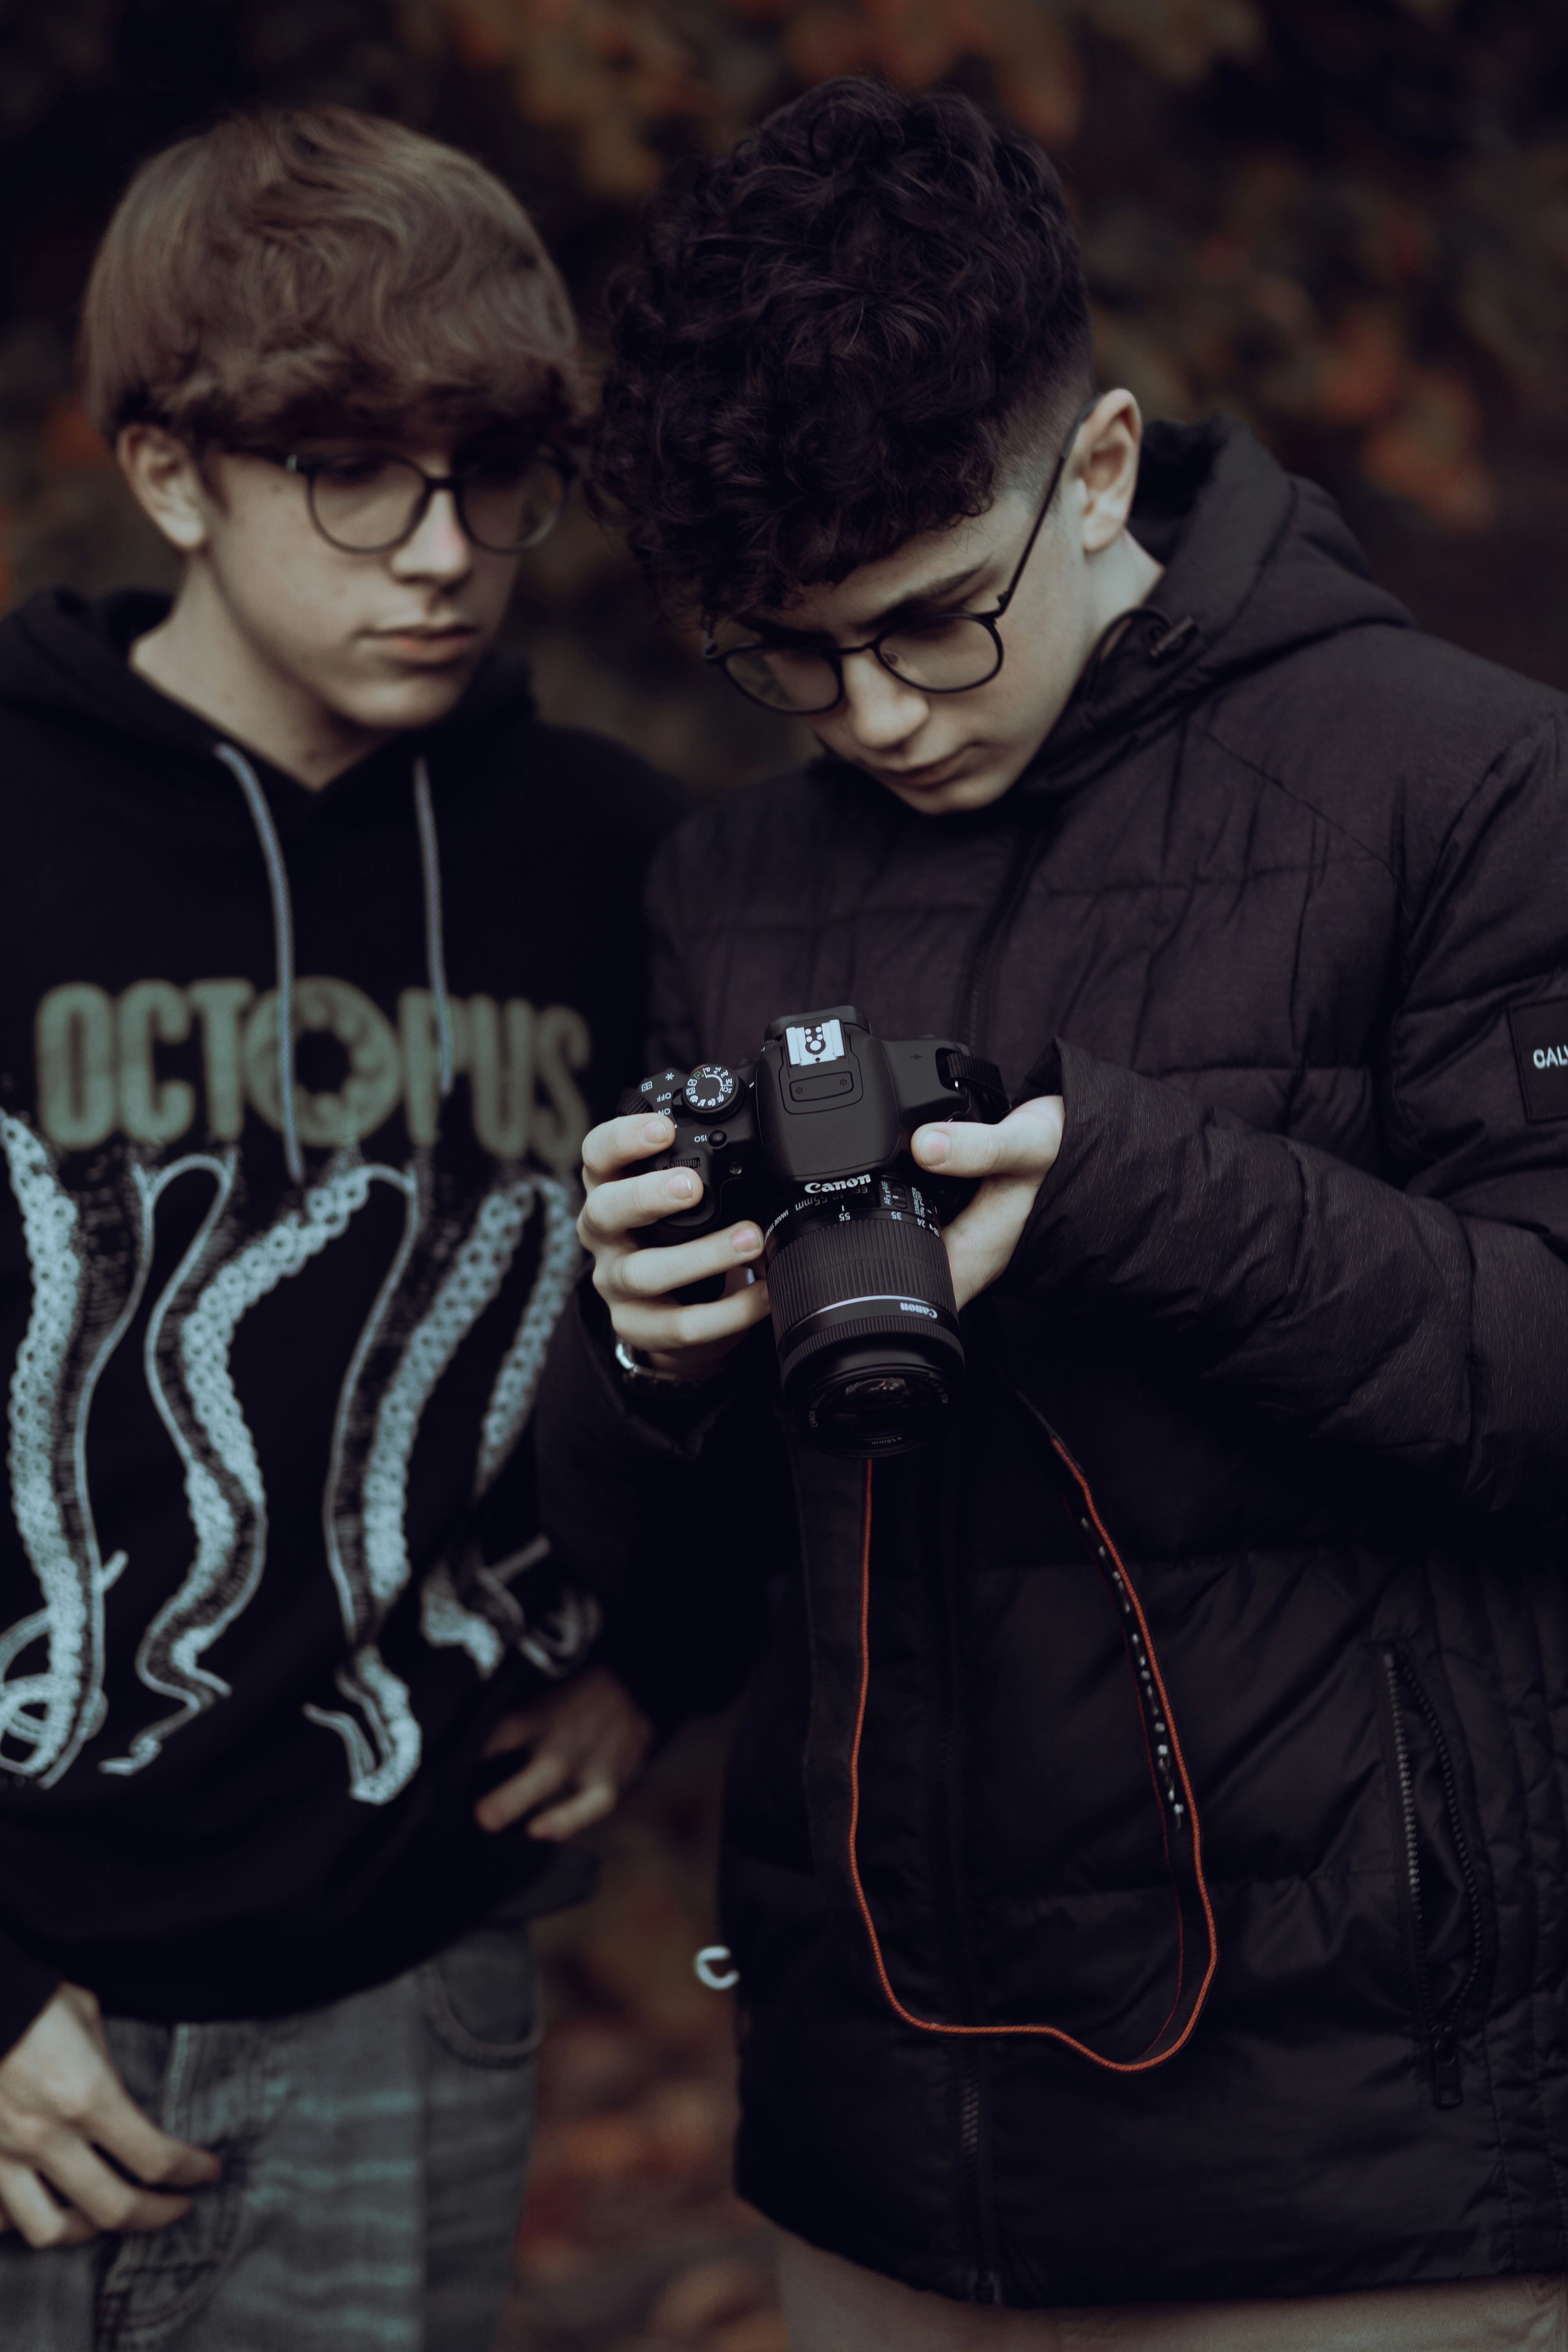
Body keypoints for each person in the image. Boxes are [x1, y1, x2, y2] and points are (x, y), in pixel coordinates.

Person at [539, 75, 1568, 2352]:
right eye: (791, 656)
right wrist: (643, 1354)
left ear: (1096, 471)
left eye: (932, 626)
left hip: (1355, 2187)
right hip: (877, 2170)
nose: (877, 716)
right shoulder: (732, 885)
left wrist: (1122, 1188)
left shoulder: (1473, 783)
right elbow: (677, 1598)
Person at [0, 106, 668, 2350]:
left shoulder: (610, 862)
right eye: (354, 475)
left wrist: (673, 1645)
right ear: (169, 473)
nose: (446, 552)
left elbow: (750, 1319)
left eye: (495, 475)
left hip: (399, 1988)